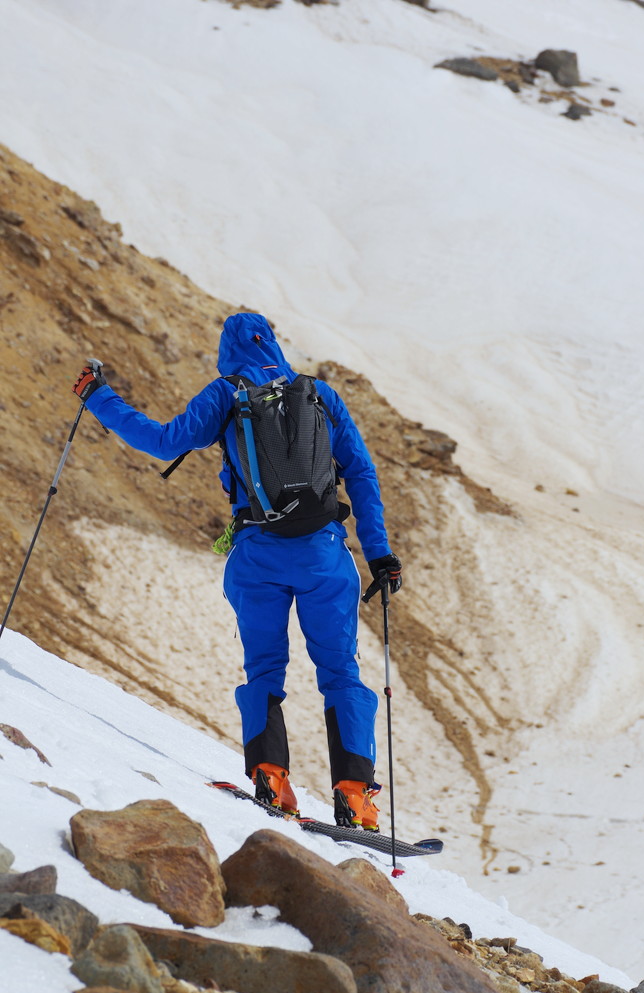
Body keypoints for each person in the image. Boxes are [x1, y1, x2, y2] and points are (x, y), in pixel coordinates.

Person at [73, 312, 401, 830]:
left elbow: (161, 441)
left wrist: (98, 396)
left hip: (256, 557)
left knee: (265, 667)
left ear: (228, 351)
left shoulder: (226, 394)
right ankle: (356, 795)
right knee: (340, 671)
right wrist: (379, 554)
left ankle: (272, 777)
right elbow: (360, 470)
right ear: (273, 343)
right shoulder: (318, 394)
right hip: (325, 557)